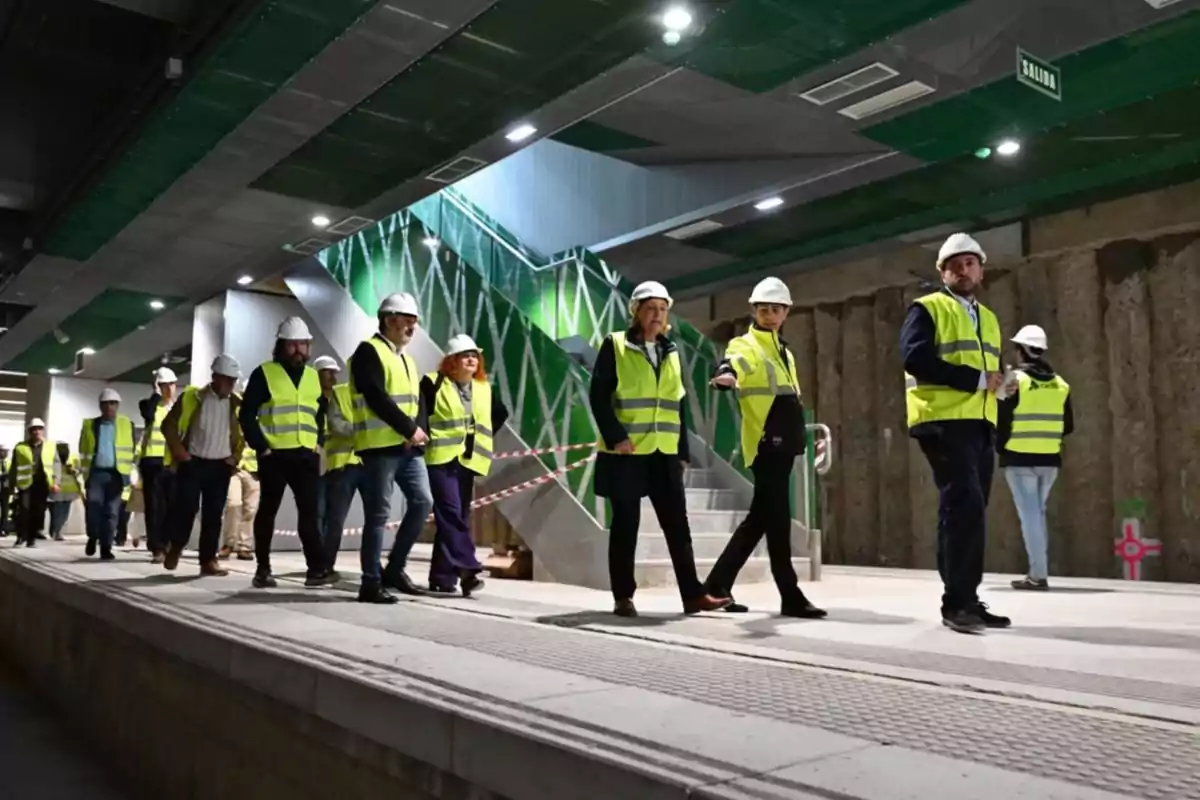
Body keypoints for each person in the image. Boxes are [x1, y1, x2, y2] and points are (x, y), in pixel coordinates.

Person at [589, 280, 731, 618]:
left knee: (677, 526)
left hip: (664, 453)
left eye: (663, 309)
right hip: (626, 451)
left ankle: (692, 595)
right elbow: (598, 396)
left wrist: (682, 451)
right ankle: (623, 596)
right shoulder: (616, 346)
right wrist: (615, 437)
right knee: (626, 525)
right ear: (636, 312)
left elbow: (677, 404)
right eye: (651, 308)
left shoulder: (672, 352)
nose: (657, 315)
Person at [901, 232, 1010, 634]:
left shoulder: (990, 318)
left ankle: (967, 598)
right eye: (955, 265)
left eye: (970, 263)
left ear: (981, 269)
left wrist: (998, 387)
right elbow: (915, 359)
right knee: (961, 507)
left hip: (980, 422)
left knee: (972, 512)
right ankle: (955, 604)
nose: (963, 270)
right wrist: (976, 379)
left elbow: (987, 372)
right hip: (943, 422)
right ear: (942, 271)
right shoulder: (927, 308)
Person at [705, 277, 826, 618]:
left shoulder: (785, 352)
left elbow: (789, 398)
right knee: (777, 521)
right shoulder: (746, 344)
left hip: (785, 441)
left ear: (786, 312)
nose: (769, 315)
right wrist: (725, 374)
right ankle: (790, 594)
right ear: (754, 311)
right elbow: (734, 362)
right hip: (764, 443)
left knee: (760, 519)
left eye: (775, 309)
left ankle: (716, 585)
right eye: (763, 309)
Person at [349, 292, 433, 604]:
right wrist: (409, 428)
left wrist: (418, 429)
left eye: (415, 321)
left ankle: (394, 569)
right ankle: (370, 582)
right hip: (380, 447)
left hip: (406, 450)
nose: (412, 327)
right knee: (378, 515)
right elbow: (375, 395)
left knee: (423, 502)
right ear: (388, 320)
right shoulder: (368, 352)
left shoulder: (406, 359)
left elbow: (417, 399)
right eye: (407, 320)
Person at [239, 316, 329, 589]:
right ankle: (263, 569)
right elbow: (246, 415)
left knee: (310, 514)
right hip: (275, 456)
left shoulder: (314, 377)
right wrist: (262, 448)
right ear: (281, 346)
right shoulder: (264, 373)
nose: (298, 350)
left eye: (303, 344)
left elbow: (319, 413)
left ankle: (315, 571)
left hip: (305, 455)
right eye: (292, 345)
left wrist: (318, 443)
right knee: (268, 511)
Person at [420, 334, 509, 597]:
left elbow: (500, 414)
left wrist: (480, 435)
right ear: (451, 361)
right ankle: (468, 569)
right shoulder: (433, 383)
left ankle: (442, 577)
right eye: (464, 355)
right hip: (440, 459)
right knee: (450, 514)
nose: (471, 359)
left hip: (468, 460)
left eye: (474, 355)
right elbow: (421, 415)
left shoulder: (483, 388)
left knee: (457, 517)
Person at [997, 325, 1073, 591]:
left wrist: (999, 448)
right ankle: (1036, 571)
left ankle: (1038, 575)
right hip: (1049, 460)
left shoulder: (1014, 380)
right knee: (1037, 513)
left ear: (1020, 351)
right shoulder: (1061, 384)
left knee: (1030, 515)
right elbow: (1069, 425)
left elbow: (1000, 419)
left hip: (1019, 459)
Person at [162, 354, 245, 576]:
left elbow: (243, 434)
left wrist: (235, 458)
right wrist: (180, 453)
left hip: (221, 467)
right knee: (186, 508)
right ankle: (176, 546)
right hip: (193, 463)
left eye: (233, 380)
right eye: (227, 379)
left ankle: (208, 560)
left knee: (213, 515)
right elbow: (168, 425)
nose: (231, 384)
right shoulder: (192, 397)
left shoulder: (237, 404)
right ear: (215, 376)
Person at [313, 355, 363, 579]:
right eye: (327, 372)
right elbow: (335, 425)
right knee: (325, 516)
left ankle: (373, 569)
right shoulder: (332, 396)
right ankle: (322, 564)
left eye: (334, 371)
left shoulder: (372, 395)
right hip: (332, 461)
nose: (332, 376)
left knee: (373, 519)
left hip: (364, 462)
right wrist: (366, 433)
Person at [78, 388, 137, 560]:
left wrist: (129, 474)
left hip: (116, 475)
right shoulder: (90, 425)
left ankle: (106, 547)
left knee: (111, 512)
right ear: (100, 406)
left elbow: (131, 450)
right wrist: (85, 474)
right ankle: (93, 536)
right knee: (94, 507)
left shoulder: (127, 424)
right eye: (105, 404)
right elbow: (83, 449)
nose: (109, 407)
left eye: (113, 403)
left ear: (118, 405)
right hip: (96, 474)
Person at [138, 367, 178, 563]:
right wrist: (155, 394)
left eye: (171, 384)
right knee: (154, 507)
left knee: (173, 507)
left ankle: (169, 542)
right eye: (163, 385)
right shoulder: (149, 405)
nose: (169, 388)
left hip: (174, 463)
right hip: (152, 462)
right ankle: (157, 548)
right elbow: (147, 414)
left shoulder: (178, 408)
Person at [10, 419, 56, 547]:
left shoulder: (50, 446)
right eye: (34, 429)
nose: (37, 431)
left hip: (42, 484)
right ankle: (21, 536)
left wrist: (56, 482)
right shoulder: (20, 447)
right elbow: (14, 466)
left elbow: (55, 465)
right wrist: (11, 483)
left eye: (39, 428)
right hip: (25, 484)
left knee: (38, 512)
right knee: (24, 510)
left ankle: (31, 538)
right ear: (29, 431)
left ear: (43, 430)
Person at [220, 446, 258, 561]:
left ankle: (244, 547)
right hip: (234, 469)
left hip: (254, 470)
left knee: (250, 509)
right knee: (233, 504)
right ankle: (228, 543)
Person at [48, 443, 81, 541]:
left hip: (69, 491)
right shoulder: (53, 458)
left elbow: (80, 469)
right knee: (57, 513)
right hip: (57, 489)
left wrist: (73, 471)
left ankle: (58, 532)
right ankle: (56, 532)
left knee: (64, 513)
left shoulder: (73, 457)